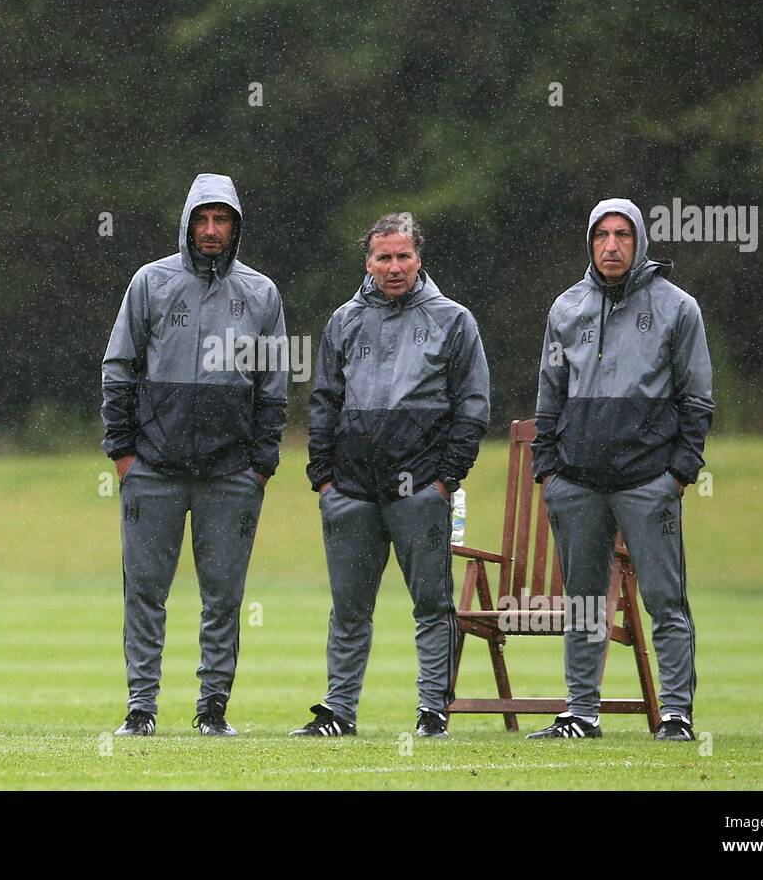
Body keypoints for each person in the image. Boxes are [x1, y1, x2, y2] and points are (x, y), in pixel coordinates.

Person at [101, 173, 288, 736]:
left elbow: (274, 385)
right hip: (153, 468)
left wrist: (261, 465)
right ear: (188, 223)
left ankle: (213, 709)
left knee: (224, 596)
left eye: (221, 220)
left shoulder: (261, 294)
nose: (211, 230)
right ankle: (141, 708)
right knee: (144, 592)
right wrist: (122, 451)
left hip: (232, 474)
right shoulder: (150, 282)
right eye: (202, 219)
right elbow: (119, 366)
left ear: (235, 226)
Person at [291, 213, 490, 738]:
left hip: (421, 488)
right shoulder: (344, 320)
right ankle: (338, 713)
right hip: (350, 490)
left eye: (403, 256)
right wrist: (323, 478)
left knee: (431, 604)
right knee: (349, 609)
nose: (394, 267)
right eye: (384, 257)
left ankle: (432, 711)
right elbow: (323, 402)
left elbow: (473, 408)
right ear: (368, 261)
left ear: (419, 258)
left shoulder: (453, 320)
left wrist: (446, 478)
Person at [528, 198, 713, 741]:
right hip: (577, 481)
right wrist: (548, 469)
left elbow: (697, 399)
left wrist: (678, 472)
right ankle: (582, 714)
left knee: (665, 600)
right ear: (589, 242)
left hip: (647, 480)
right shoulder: (566, 308)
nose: (611, 246)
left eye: (623, 236)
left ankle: (676, 715)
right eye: (602, 236)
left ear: (640, 242)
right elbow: (549, 394)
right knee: (584, 604)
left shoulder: (678, 309)